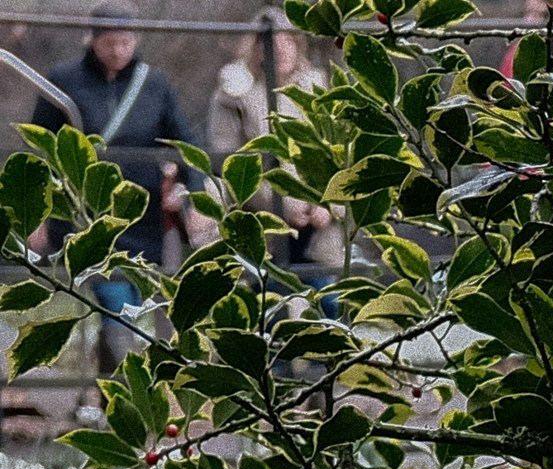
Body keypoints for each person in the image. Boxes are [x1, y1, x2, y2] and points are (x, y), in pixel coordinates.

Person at [35, 22, 191, 378]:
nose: (118, 51)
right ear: (92, 41)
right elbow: (40, 147)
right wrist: (40, 213)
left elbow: (185, 140)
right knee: (117, 306)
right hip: (86, 219)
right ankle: (124, 396)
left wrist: (185, 187)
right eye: (110, 43)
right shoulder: (63, 78)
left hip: (142, 215)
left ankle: (123, 398)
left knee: (137, 306)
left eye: (125, 42)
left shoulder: (154, 84)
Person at [205, 9, 335, 292]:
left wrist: (328, 205)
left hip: (317, 221)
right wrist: (280, 205)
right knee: (272, 298)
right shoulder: (235, 92)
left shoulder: (317, 87)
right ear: (257, 48)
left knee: (327, 301)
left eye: (288, 41)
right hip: (263, 215)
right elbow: (229, 160)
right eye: (272, 43)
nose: (281, 49)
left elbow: (336, 153)